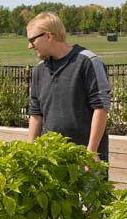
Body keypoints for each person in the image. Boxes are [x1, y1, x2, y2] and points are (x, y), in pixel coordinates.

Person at [26, 11, 111, 162]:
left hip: (84, 161)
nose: (29, 46)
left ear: (48, 36)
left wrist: (90, 153)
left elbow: (101, 108)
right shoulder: (39, 70)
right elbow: (36, 115)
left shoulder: (87, 62)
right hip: (51, 160)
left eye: (32, 40)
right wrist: (30, 155)